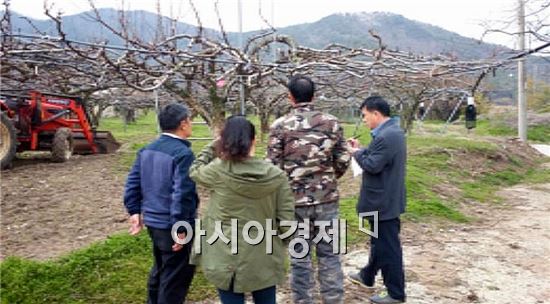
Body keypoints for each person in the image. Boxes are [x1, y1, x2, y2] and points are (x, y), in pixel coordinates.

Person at [189, 116, 295, 304]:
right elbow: (286, 221)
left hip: (224, 251)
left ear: (224, 141)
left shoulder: (217, 170)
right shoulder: (277, 176)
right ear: (254, 140)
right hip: (263, 251)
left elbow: (195, 169)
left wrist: (214, 146)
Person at [267, 75, 351, 304]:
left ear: (289, 97)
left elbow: (273, 167)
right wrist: (329, 179)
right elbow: (343, 159)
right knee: (330, 254)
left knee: (300, 256)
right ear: (314, 95)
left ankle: (303, 300)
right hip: (326, 200)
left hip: (294, 202)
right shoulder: (332, 122)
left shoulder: (279, 126)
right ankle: (333, 300)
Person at [123, 103, 198, 304]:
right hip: (173, 224)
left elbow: (133, 181)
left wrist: (134, 211)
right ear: (183, 124)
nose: (191, 124)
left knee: (160, 269)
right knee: (175, 278)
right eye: (190, 120)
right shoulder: (183, 154)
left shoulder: (147, 150)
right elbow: (181, 193)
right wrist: (181, 226)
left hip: (154, 222)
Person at [347, 96, 407, 304]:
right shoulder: (390, 133)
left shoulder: (387, 136)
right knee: (377, 241)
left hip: (382, 203)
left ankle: (395, 293)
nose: (364, 120)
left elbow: (372, 165)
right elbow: (377, 157)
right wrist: (362, 150)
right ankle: (368, 274)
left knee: (388, 247)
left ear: (376, 113)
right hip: (383, 200)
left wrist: (354, 152)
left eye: (364, 115)